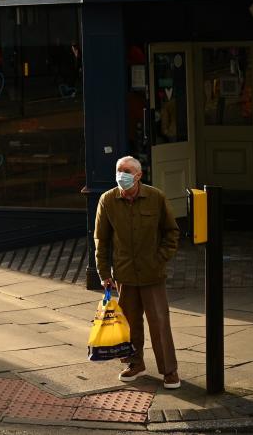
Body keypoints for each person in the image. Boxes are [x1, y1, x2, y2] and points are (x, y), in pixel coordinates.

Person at [95, 155, 181, 389]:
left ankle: (169, 371)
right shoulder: (107, 200)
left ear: (139, 175)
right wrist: (104, 273)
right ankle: (134, 363)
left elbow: (171, 232)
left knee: (159, 323)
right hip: (124, 275)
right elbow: (101, 240)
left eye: (126, 171)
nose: (121, 175)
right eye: (118, 171)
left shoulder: (156, 197)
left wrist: (159, 259)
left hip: (152, 274)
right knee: (130, 323)